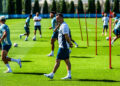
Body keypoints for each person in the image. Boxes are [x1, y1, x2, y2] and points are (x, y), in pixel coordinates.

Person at [44, 13, 73, 80]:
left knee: (57, 60)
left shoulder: (64, 26)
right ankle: (69, 75)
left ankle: (52, 74)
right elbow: (56, 31)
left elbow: (66, 36)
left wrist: (70, 43)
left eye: (58, 18)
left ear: (61, 18)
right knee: (67, 61)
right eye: (56, 18)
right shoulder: (61, 25)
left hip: (63, 46)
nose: (56, 20)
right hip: (64, 46)